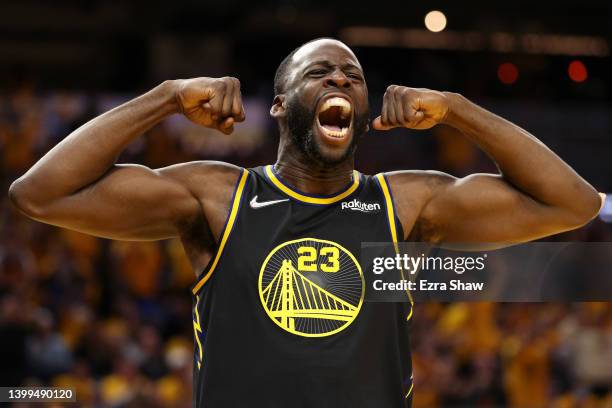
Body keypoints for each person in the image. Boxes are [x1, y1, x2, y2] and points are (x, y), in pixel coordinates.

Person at [8, 38, 601, 407]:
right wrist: (165, 97)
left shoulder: (406, 205)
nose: (340, 79)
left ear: (364, 113)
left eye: (352, 76)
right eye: (319, 72)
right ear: (281, 104)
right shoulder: (218, 196)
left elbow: (571, 204)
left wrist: (458, 110)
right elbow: (39, 192)